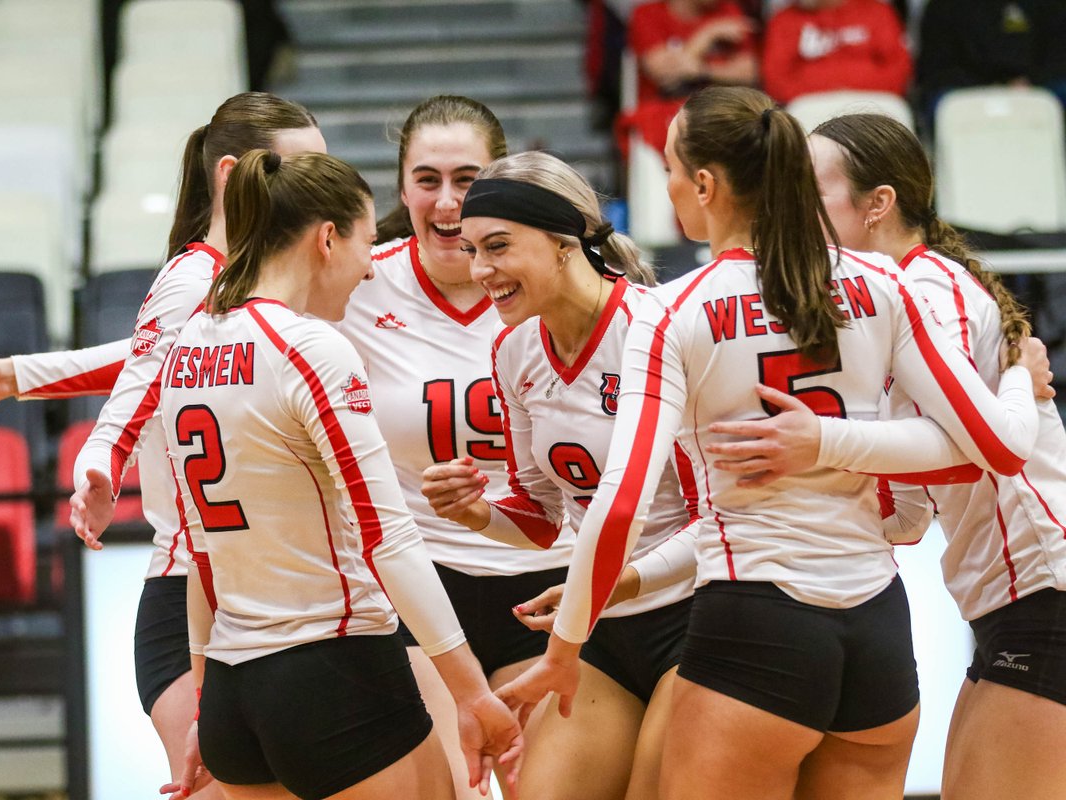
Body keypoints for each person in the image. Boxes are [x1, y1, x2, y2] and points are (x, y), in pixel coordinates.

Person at [496, 85, 1044, 800]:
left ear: (704, 185)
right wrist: (1018, 385)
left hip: (757, 624)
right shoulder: (882, 283)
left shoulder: (672, 311)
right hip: (878, 632)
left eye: (668, 169)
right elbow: (995, 449)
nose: (664, 187)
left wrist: (565, 649)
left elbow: (620, 501)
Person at [0, 92, 326, 800]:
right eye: (298, 170)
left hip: (279, 589)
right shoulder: (196, 278)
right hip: (196, 591)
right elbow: (138, 383)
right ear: (231, 175)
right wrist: (99, 459)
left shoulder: (282, 277)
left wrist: (14, 375)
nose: (317, 190)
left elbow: (141, 358)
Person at [115, 148, 519, 800]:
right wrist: (471, 691)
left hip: (232, 691)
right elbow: (388, 536)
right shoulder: (309, 348)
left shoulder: (188, 346)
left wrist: (202, 706)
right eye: (366, 242)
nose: (368, 270)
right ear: (327, 238)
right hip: (335, 670)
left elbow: (200, 553)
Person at [771, 112, 1066, 800]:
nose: (793, 209)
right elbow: (906, 509)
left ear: (879, 205)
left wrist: (819, 451)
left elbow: (988, 448)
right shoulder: (883, 300)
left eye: (812, 191)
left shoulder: (928, 290)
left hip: (1044, 584)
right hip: (1003, 598)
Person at [418, 150, 701, 799]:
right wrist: (478, 512)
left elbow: (722, 517)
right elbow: (542, 520)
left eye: (497, 246)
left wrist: (622, 583)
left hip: (697, 617)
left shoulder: (656, 330)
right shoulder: (513, 349)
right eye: (471, 250)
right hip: (599, 624)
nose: (479, 270)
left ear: (564, 241)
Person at [338, 95, 574, 799]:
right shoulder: (357, 280)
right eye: (427, 179)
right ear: (402, 187)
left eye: (467, 180)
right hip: (418, 587)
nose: (447, 203)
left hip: (547, 582)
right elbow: (206, 341)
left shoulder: (559, 284)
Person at [620, 0, 757, 156]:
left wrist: (701, 70)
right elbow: (665, 76)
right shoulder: (647, 13)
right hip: (666, 116)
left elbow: (750, 72)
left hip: (721, 114)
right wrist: (708, 34)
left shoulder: (727, 8)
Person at [917, 0, 1066, 128]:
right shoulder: (943, 6)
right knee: (944, 103)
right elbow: (935, 67)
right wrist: (991, 87)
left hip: (1037, 85)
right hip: (968, 88)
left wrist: (1031, 82)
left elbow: (1059, 57)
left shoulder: (1051, 4)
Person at [760, 0, 911, 106]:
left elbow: (899, 69)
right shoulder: (783, 20)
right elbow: (775, 80)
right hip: (809, 104)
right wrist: (831, 90)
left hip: (874, 100)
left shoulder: (877, 11)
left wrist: (850, 89)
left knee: (895, 111)